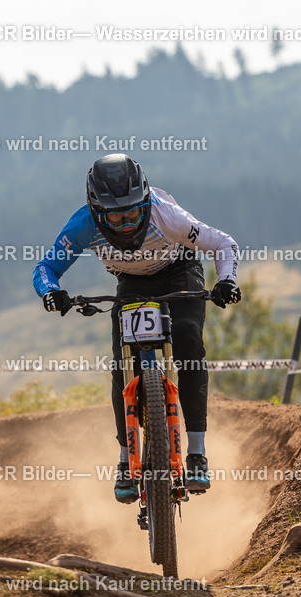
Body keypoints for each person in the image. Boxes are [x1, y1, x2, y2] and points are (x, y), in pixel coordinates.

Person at [32, 154, 241, 503]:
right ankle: (126, 463)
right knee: (120, 366)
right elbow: (46, 267)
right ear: (98, 212)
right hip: (131, 282)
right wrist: (51, 293)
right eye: (116, 216)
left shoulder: (167, 215)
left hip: (179, 269)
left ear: (145, 200)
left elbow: (223, 243)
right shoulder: (83, 224)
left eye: (133, 211)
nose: (127, 222)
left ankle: (197, 453)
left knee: (188, 342)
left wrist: (227, 280)